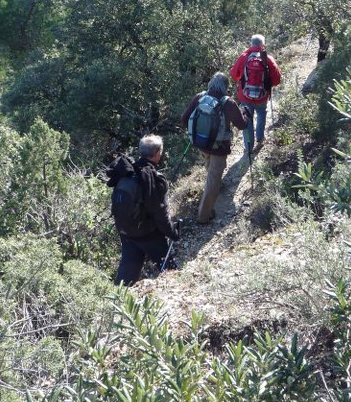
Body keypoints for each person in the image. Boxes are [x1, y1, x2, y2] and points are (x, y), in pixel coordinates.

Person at [106, 134, 179, 286]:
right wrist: (173, 233)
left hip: (126, 232)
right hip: (148, 235)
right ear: (158, 153)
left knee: (126, 279)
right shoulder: (154, 178)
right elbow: (161, 214)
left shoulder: (125, 173)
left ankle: (117, 304)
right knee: (171, 272)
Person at [181, 72, 250, 224]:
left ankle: (216, 184)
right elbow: (242, 125)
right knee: (213, 179)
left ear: (211, 83)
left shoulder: (200, 97)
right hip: (219, 147)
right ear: (225, 87)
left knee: (210, 166)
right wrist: (246, 115)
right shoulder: (228, 103)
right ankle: (203, 216)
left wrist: (198, 132)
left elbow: (184, 118)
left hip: (201, 144)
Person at [229, 34, 282, 153]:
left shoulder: (244, 57)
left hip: (245, 96)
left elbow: (233, 74)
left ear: (251, 44)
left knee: (247, 119)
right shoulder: (268, 59)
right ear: (263, 45)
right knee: (262, 114)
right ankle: (260, 138)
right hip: (262, 96)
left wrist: (243, 80)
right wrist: (267, 85)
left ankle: (248, 147)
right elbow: (277, 79)